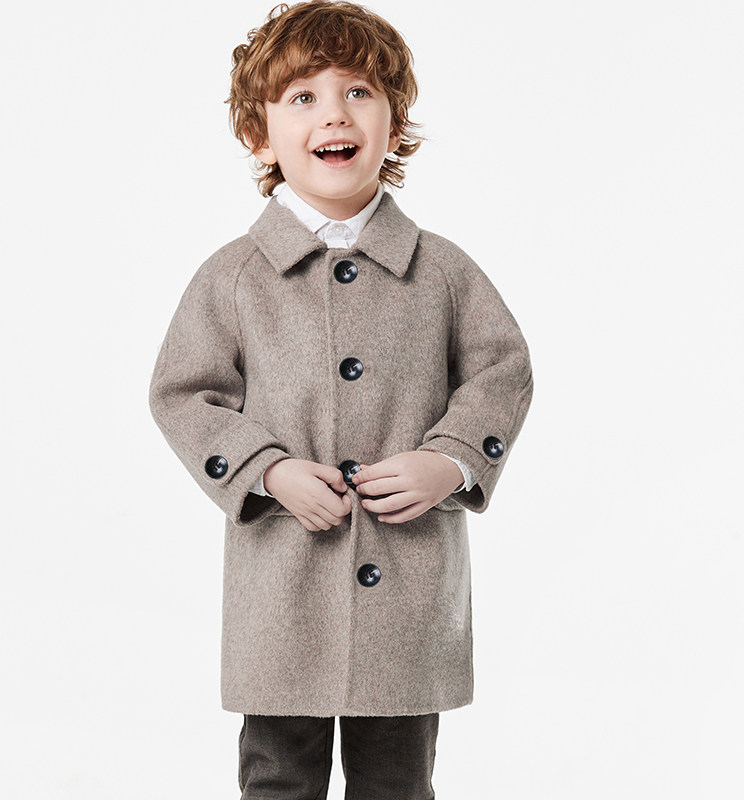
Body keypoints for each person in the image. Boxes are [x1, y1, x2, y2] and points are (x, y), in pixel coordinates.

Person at [148, 1, 534, 797]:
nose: (334, 114)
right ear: (259, 135)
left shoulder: (443, 271)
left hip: (409, 586)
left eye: (359, 92)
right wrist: (266, 471)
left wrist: (450, 463)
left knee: (398, 783)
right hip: (281, 586)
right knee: (277, 780)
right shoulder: (233, 277)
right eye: (303, 97)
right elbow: (184, 394)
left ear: (394, 126)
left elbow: (503, 370)